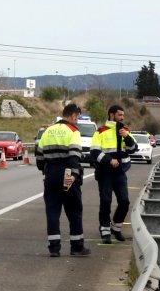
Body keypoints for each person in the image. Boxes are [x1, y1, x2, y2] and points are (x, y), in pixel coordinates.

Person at [37, 103, 90, 257]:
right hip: (67, 173)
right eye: (77, 117)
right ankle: (77, 247)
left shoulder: (49, 130)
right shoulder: (73, 131)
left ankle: (54, 248)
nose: (77, 121)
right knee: (74, 210)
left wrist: (45, 170)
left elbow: (39, 155)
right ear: (73, 115)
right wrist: (73, 174)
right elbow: (74, 155)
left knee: (52, 211)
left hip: (51, 174)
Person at [89, 104, 138, 243]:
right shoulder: (100, 132)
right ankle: (105, 231)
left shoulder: (125, 131)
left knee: (124, 202)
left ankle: (116, 228)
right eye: (119, 115)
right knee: (106, 202)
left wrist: (127, 137)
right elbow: (94, 152)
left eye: (123, 115)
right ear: (111, 115)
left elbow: (133, 149)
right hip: (105, 173)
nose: (122, 117)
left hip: (120, 173)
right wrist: (109, 160)